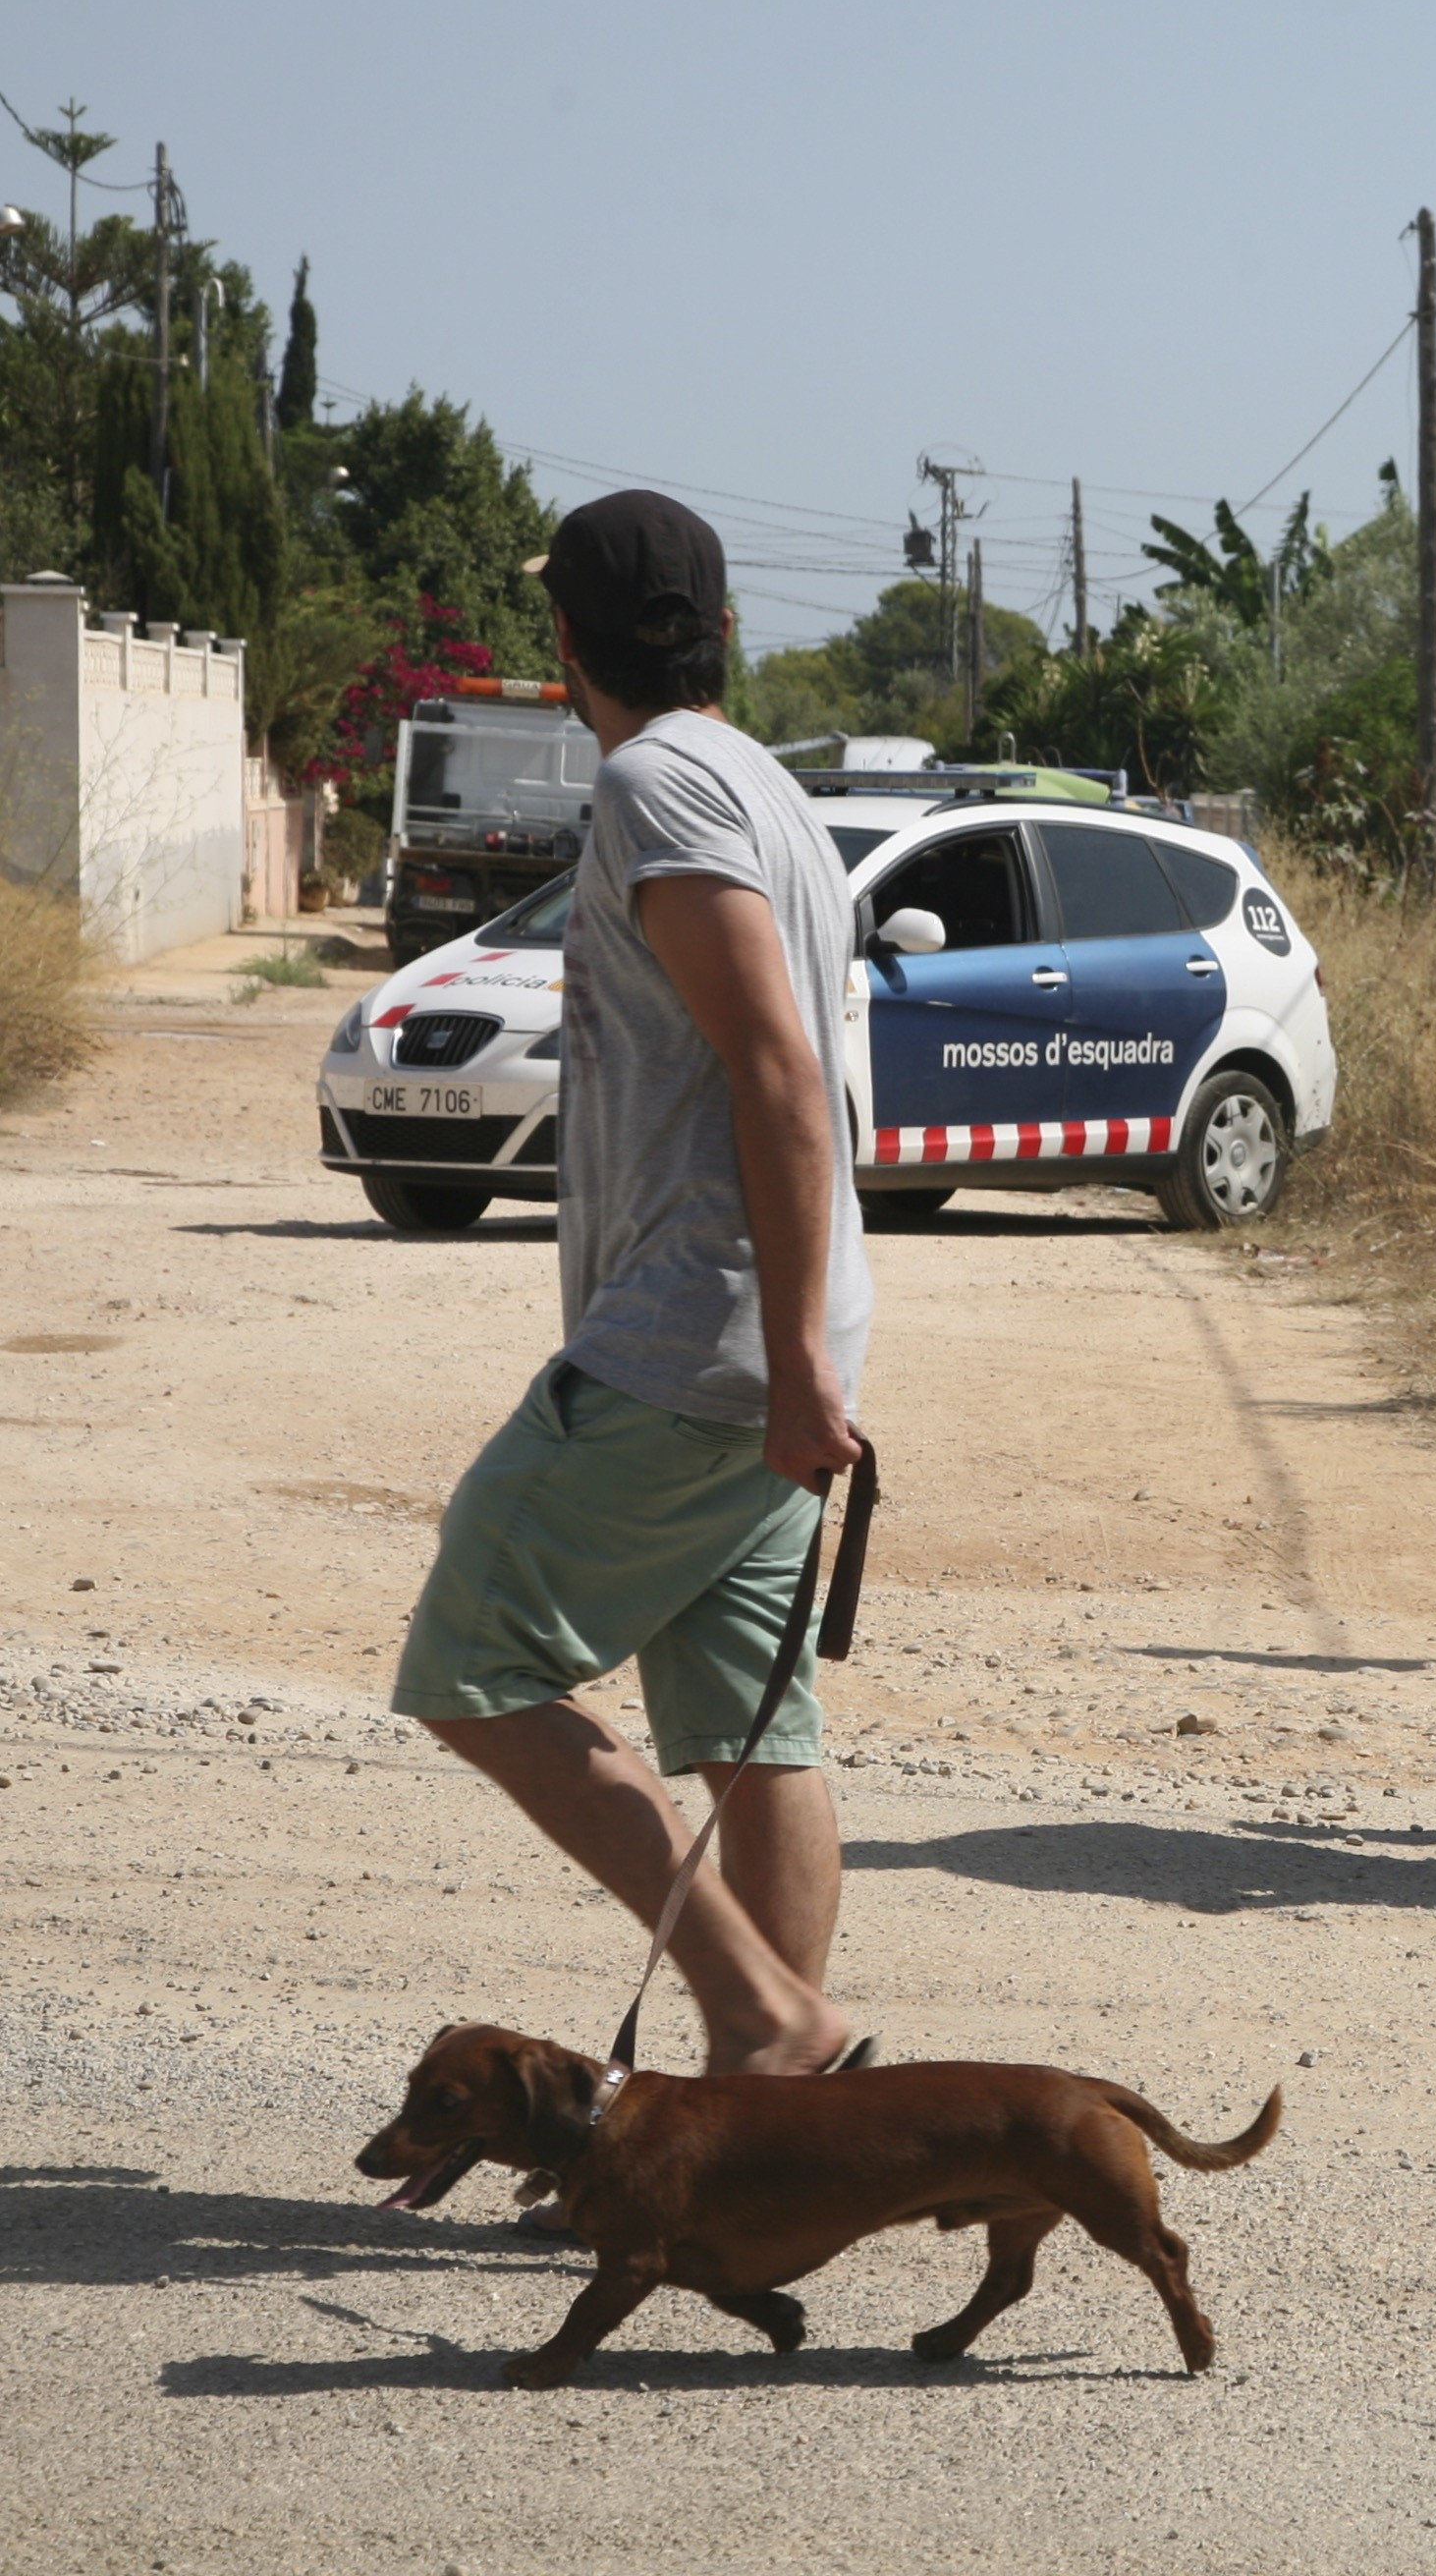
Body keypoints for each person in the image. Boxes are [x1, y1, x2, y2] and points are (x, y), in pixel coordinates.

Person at [392, 488, 876, 2073]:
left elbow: (780, 1075)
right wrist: (807, 1357)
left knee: (475, 1660)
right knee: (757, 1728)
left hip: (698, 1340)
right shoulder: (764, 784)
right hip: (774, 1343)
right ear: (722, 628)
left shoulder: (656, 788)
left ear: (564, 639)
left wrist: (791, 1357)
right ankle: (765, 2139)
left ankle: (766, 2019)